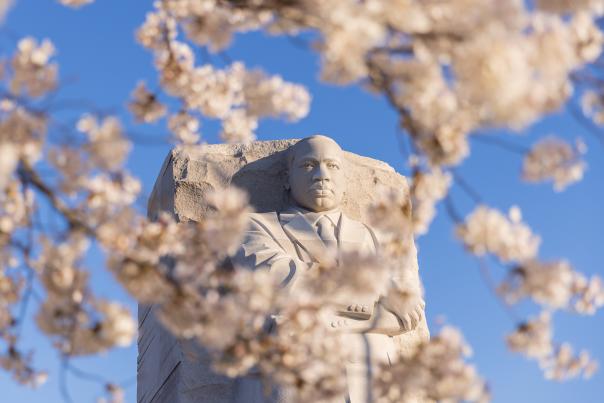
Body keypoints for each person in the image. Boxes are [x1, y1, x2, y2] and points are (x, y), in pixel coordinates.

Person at [233, 135, 425, 403]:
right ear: (287, 178)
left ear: (345, 181)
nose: (322, 175)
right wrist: (373, 296)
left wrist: (332, 319)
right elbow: (281, 282)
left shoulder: (374, 238)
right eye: (309, 165)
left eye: (332, 166)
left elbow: (406, 315)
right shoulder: (255, 227)